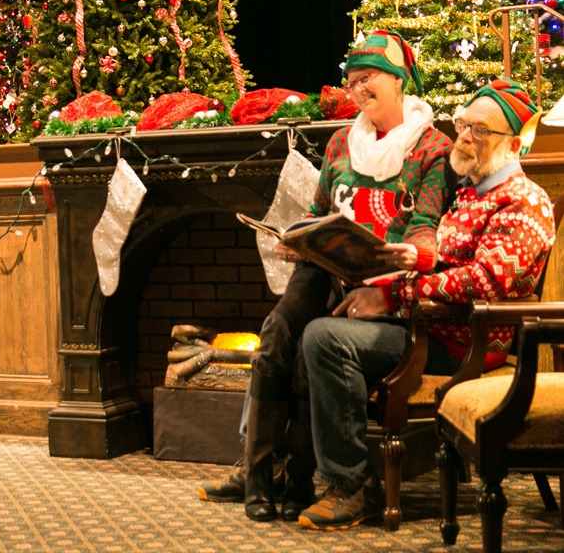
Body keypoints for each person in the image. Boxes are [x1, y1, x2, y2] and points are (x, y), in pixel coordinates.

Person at [197, 29, 455, 522]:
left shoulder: (432, 149)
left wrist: (401, 264)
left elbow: (426, 233)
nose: (358, 90)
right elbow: (318, 213)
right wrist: (297, 242)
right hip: (330, 273)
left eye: (370, 78)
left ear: (399, 80)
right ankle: (258, 467)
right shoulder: (341, 142)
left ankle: (296, 476)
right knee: (276, 332)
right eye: (352, 81)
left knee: (311, 343)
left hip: (387, 290)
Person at [297, 77, 556, 532]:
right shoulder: (469, 195)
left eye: (480, 130)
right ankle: (292, 474)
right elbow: (451, 260)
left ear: (513, 144)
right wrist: (404, 263)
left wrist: (394, 294)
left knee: (327, 338)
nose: (464, 136)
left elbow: (485, 279)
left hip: (466, 342)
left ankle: (351, 486)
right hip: (429, 326)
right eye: (463, 124)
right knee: (316, 325)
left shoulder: (523, 200)